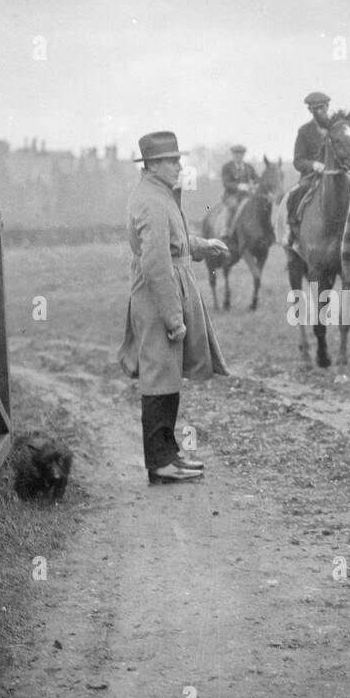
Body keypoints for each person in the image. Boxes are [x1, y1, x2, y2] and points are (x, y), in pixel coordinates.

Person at [117, 131, 229, 485]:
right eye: (172, 160)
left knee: (167, 374)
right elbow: (155, 263)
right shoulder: (151, 200)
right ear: (152, 165)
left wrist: (202, 246)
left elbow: (175, 245)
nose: (179, 166)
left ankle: (169, 454)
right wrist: (172, 317)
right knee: (158, 376)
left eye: (178, 159)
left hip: (168, 291)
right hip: (158, 297)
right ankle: (159, 463)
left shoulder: (160, 195)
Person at [285, 91, 330, 249]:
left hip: (335, 174)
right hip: (312, 177)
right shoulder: (304, 131)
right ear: (311, 110)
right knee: (297, 193)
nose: (322, 111)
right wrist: (314, 165)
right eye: (318, 108)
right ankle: (293, 230)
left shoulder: (335, 127)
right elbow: (298, 161)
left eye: (324, 107)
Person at [218, 144, 257, 237]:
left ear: (243, 155)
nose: (238, 156)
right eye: (236, 154)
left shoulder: (249, 167)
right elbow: (226, 183)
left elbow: (256, 178)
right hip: (232, 195)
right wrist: (239, 186)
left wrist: (255, 185)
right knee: (232, 206)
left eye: (240, 154)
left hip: (247, 196)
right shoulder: (227, 167)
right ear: (232, 155)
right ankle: (226, 229)